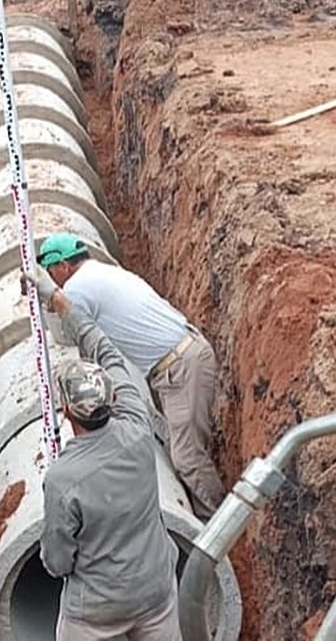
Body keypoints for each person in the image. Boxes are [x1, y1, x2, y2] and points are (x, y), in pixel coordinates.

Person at [33, 273, 183, 641]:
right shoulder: (137, 426)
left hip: (97, 611)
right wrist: (60, 301)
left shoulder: (63, 479)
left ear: (67, 412)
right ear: (112, 398)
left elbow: (57, 562)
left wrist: (54, 300)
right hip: (155, 591)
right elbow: (108, 351)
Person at [36, 233, 225, 519]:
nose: (54, 280)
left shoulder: (77, 287)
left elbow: (77, 334)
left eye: (51, 273)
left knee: (188, 458)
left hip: (180, 367)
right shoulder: (102, 271)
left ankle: (220, 527)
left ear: (63, 266)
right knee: (181, 448)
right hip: (181, 360)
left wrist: (53, 298)